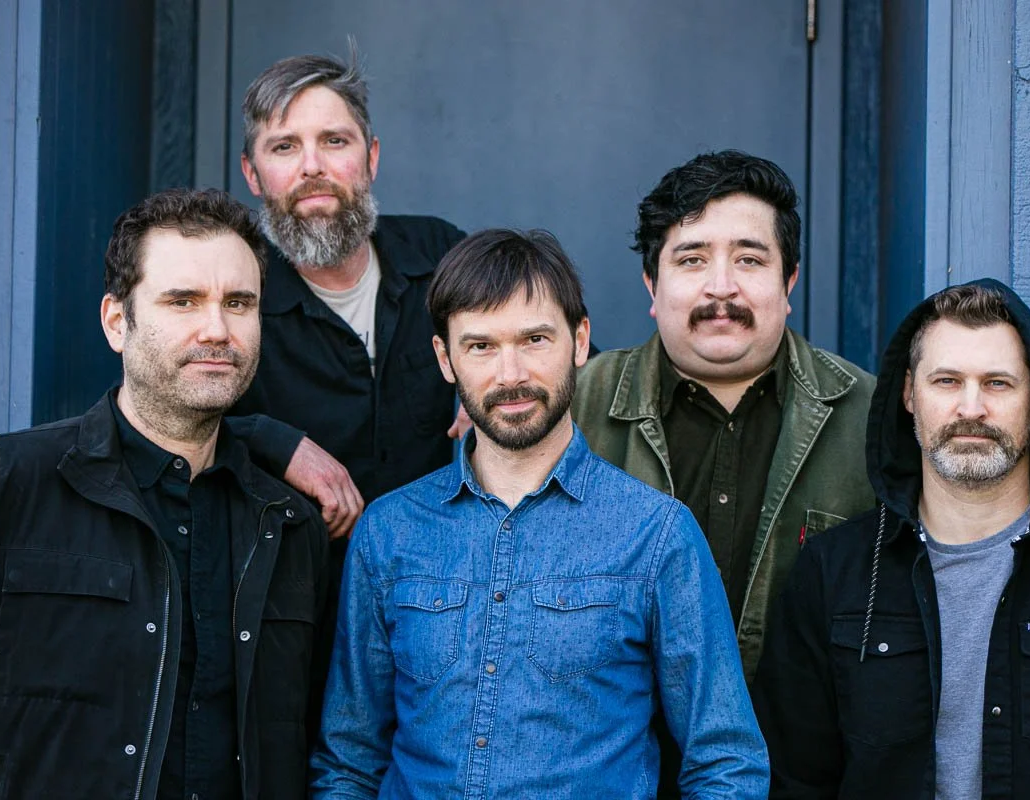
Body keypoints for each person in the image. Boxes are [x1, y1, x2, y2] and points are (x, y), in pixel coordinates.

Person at [310, 229, 769, 798]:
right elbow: (350, 761)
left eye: (534, 339)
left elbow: (726, 761)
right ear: (445, 359)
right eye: (481, 346)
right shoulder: (389, 531)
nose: (511, 375)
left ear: (579, 341)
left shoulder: (656, 535)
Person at [0, 189, 330, 798]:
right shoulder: (0, 485)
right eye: (182, 301)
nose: (217, 330)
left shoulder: (289, 526)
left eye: (238, 303)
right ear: (117, 322)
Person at [755, 279, 1030, 798]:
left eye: (998, 383)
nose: (971, 409)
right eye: (947, 381)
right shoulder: (832, 572)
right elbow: (793, 781)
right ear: (909, 394)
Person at [573, 151, 876, 684]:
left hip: (801, 739)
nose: (721, 287)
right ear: (652, 285)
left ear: (788, 282)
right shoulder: (574, 408)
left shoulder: (869, 416)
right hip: (622, 738)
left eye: (749, 260)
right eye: (692, 259)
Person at [230, 52, 466, 536]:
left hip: (447, 571)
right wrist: (276, 443)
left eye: (334, 141)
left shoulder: (441, 253)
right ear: (252, 174)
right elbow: (164, 420)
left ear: (371, 158)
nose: (312, 167)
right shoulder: (233, 294)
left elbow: (566, 356)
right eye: (284, 147)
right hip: (300, 576)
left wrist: (495, 391)